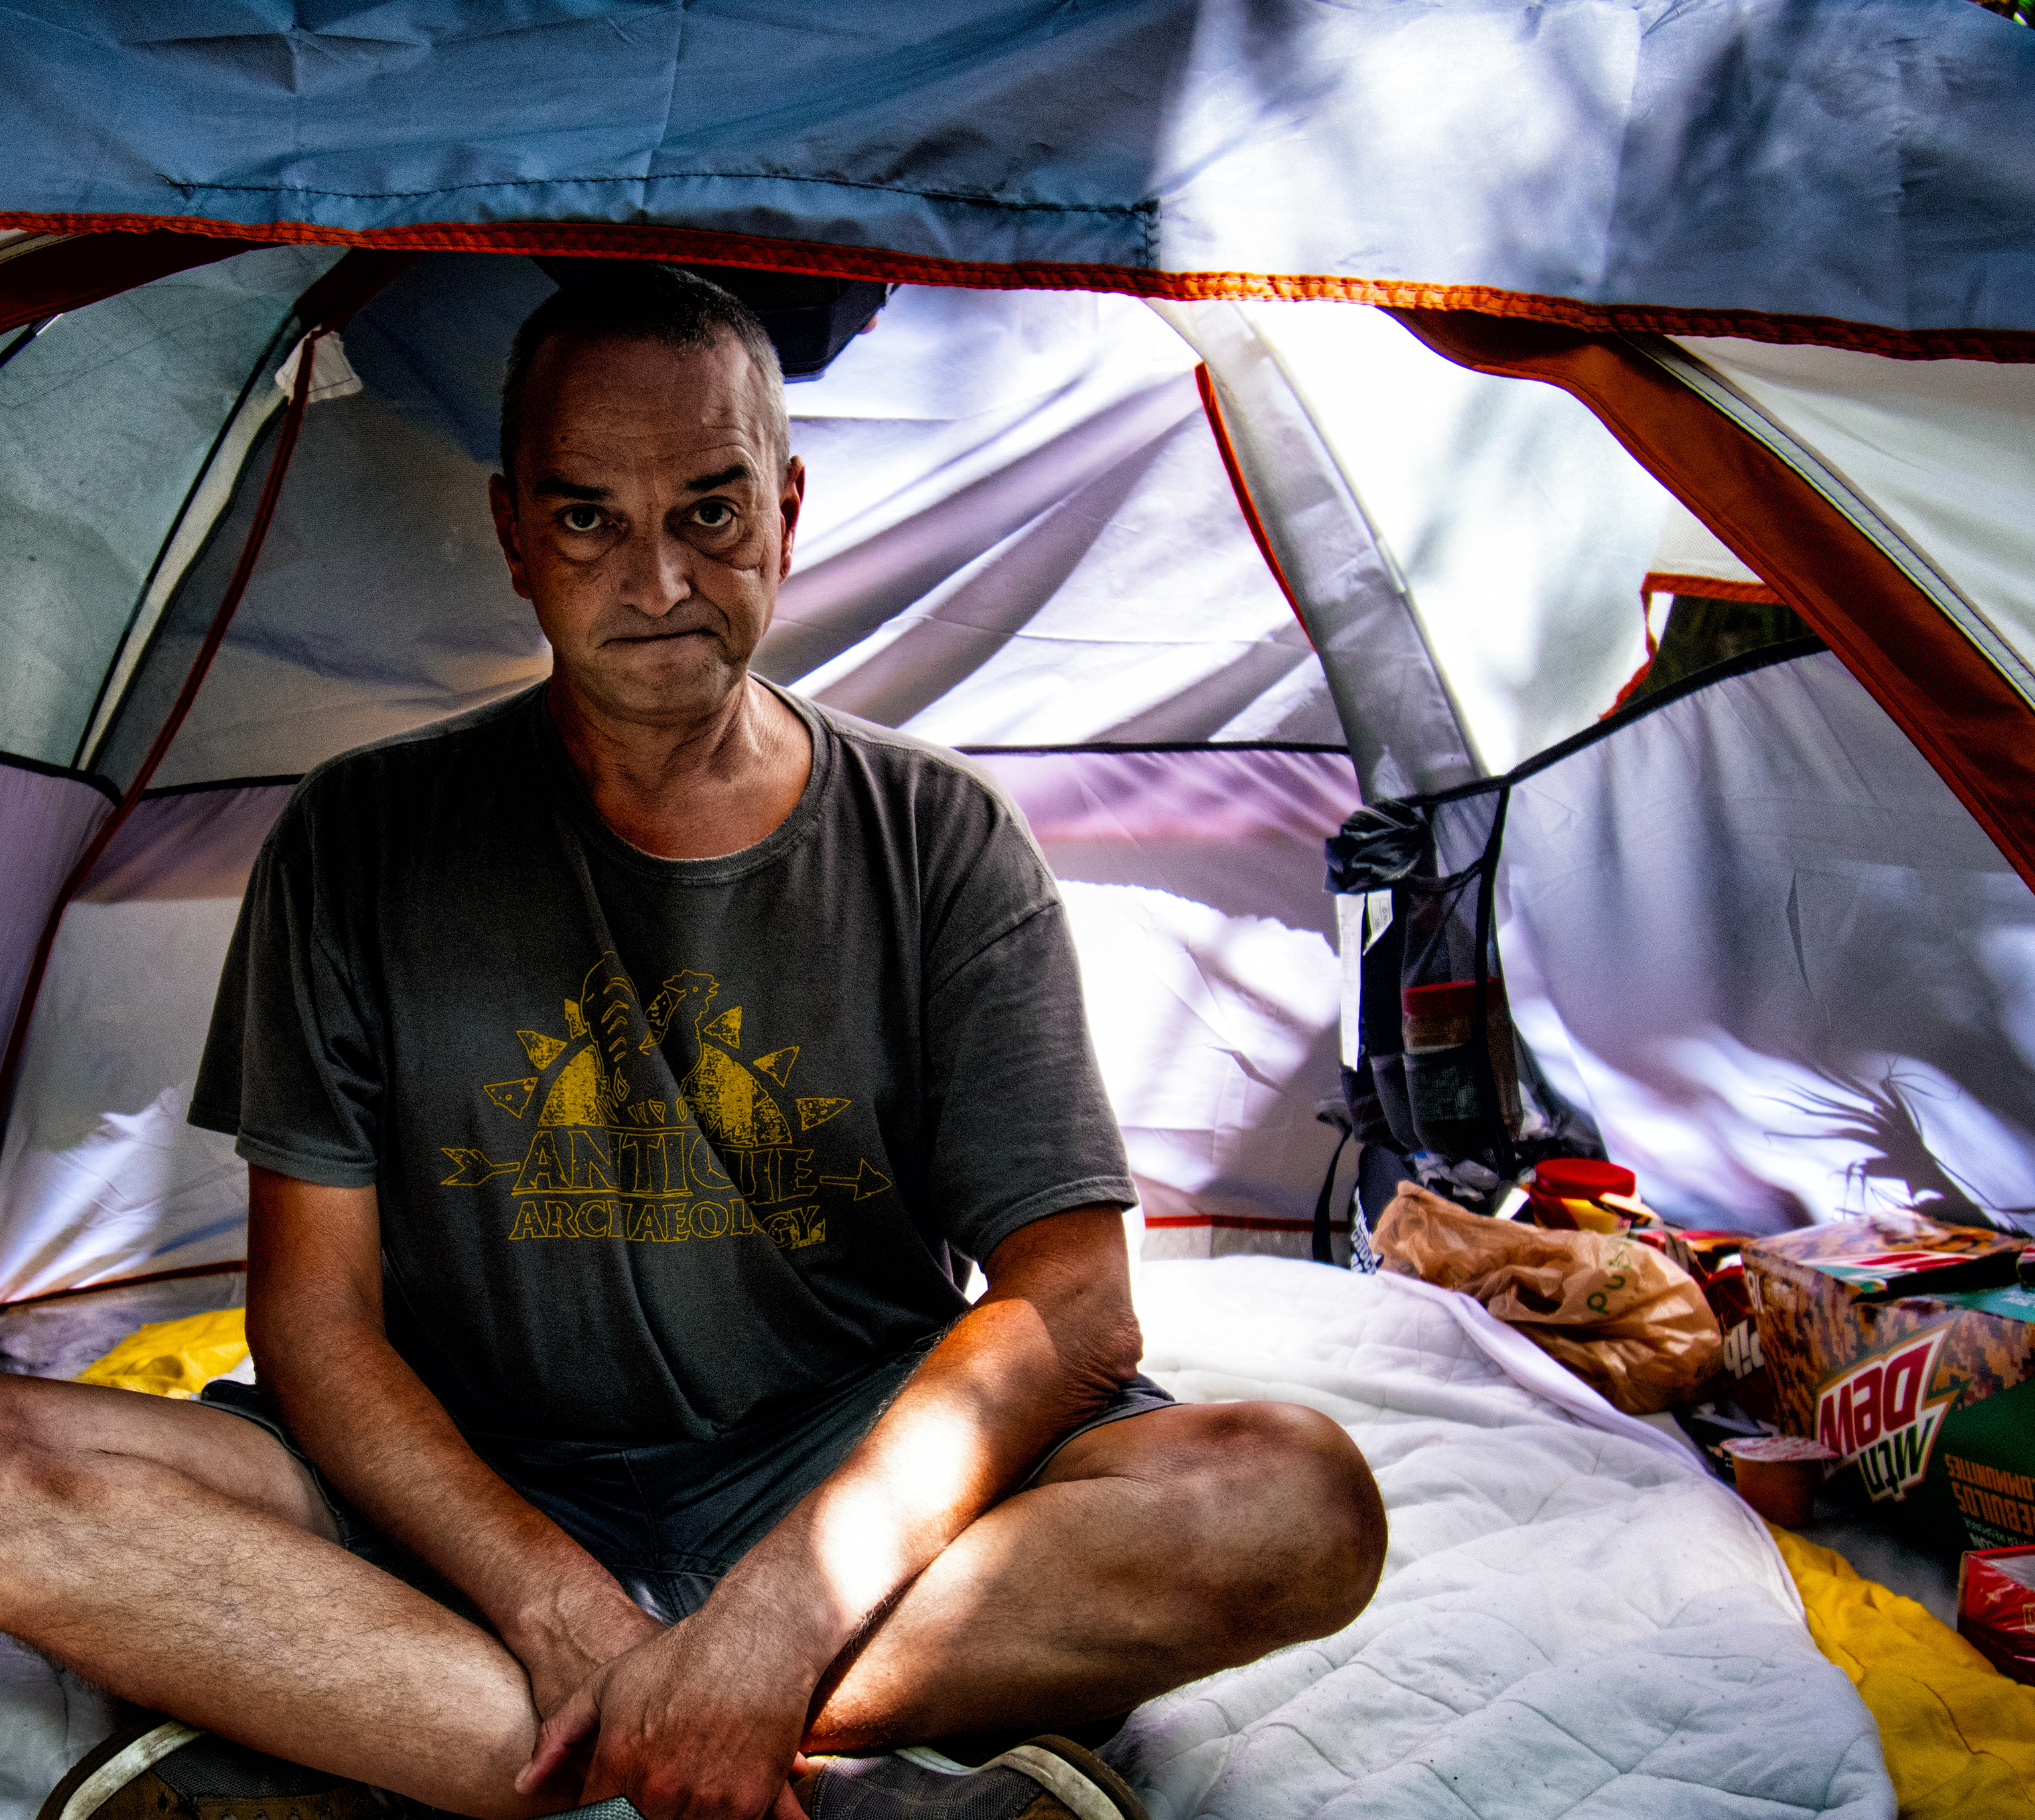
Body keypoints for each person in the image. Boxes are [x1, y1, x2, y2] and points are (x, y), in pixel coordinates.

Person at [0, 266, 1387, 1820]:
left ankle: (490, 1725)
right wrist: (550, 1599)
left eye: (710, 511)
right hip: (463, 1492)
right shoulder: (359, 838)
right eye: (589, 517)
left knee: (1293, 1501)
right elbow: (315, 1325)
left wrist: (781, 1617)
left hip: (840, 1480)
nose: (656, 577)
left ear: (787, 507)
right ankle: (712, 1735)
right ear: (516, 530)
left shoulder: (938, 838)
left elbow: (1072, 1313)